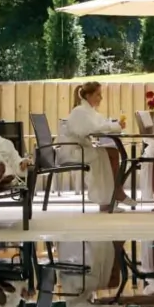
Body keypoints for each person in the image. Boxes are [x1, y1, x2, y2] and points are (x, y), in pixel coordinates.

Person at [58, 82, 136, 212]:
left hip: (81, 148)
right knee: (108, 154)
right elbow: (92, 129)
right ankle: (111, 197)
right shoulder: (80, 111)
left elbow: (101, 123)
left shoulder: (89, 111)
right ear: (88, 95)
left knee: (111, 152)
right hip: (74, 150)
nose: (101, 98)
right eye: (98, 94)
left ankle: (111, 197)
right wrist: (115, 126)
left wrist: (116, 125)